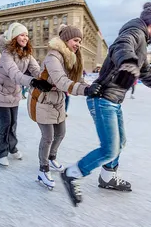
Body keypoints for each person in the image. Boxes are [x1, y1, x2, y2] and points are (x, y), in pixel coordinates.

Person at [61, 2, 151, 207]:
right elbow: (121, 46)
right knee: (109, 149)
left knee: (121, 142)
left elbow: (148, 74)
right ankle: (72, 173)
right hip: (103, 99)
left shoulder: (142, 43)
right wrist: (127, 63)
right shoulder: (134, 32)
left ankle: (108, 177)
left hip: (114, 101)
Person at [28, 24, 101, 190]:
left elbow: (77, 79)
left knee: (60, 133)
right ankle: (43, 169)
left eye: (80, 41)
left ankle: (51, 158)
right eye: (76, 40)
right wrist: (86, 91)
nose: (78, 44)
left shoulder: (70, 58)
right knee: (48, 137)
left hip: (57, 100)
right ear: (66, 39)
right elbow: (61, 81)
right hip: (42, 100)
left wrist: (91, 86)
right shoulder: (53, 57)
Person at [0, 22, 53, 166]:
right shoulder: (6, 54)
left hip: (14, 92)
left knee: (13, 123)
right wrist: (34, 83)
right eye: (22, 35)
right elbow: (14, 74)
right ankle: (1, 153)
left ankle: (12, 147)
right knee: (4, 124)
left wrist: (47, 80)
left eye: (27, 35)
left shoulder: (26, 54)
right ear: (14, 37)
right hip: (0, 91)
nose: (25, 38)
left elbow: (36, 70)